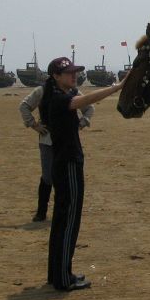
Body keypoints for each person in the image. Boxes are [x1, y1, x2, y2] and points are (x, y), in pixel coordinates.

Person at [40, 57, 126, 291]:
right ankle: (63, 278)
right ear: (56, 77)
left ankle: (57, 273)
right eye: (68, 73)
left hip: (63, 162)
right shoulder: (58, 98)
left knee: (60, 221)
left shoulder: (53, 94)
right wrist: (116, 87)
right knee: (69, 221)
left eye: (74, 71)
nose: (73, 75)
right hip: (68, 163)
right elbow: (85, 100)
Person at [19, 85, 94, 222]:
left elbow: (89, 108)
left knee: (66, 178)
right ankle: (41, 212)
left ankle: (63, 212)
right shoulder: (42, 91)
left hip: (69, 142)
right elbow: (24, 106)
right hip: (48, 141)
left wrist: (83, 122)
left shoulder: (74, 92)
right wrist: (34, 125)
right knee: (47, 176)